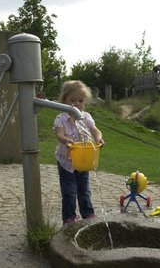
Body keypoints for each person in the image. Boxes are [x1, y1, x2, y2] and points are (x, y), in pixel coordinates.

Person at [53, 80, 105, 225]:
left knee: (84, 191)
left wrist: (99, 138)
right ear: (64, 100)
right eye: (72, 100)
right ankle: (69, 218)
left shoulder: (86, 117)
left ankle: (88, 214)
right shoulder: (61, 118)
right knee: (69, 192)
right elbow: (59, 134)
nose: (76, 104)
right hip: (66, 163)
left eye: (80, 101)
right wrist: (66, 140)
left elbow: (95, 130)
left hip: (83, 161)